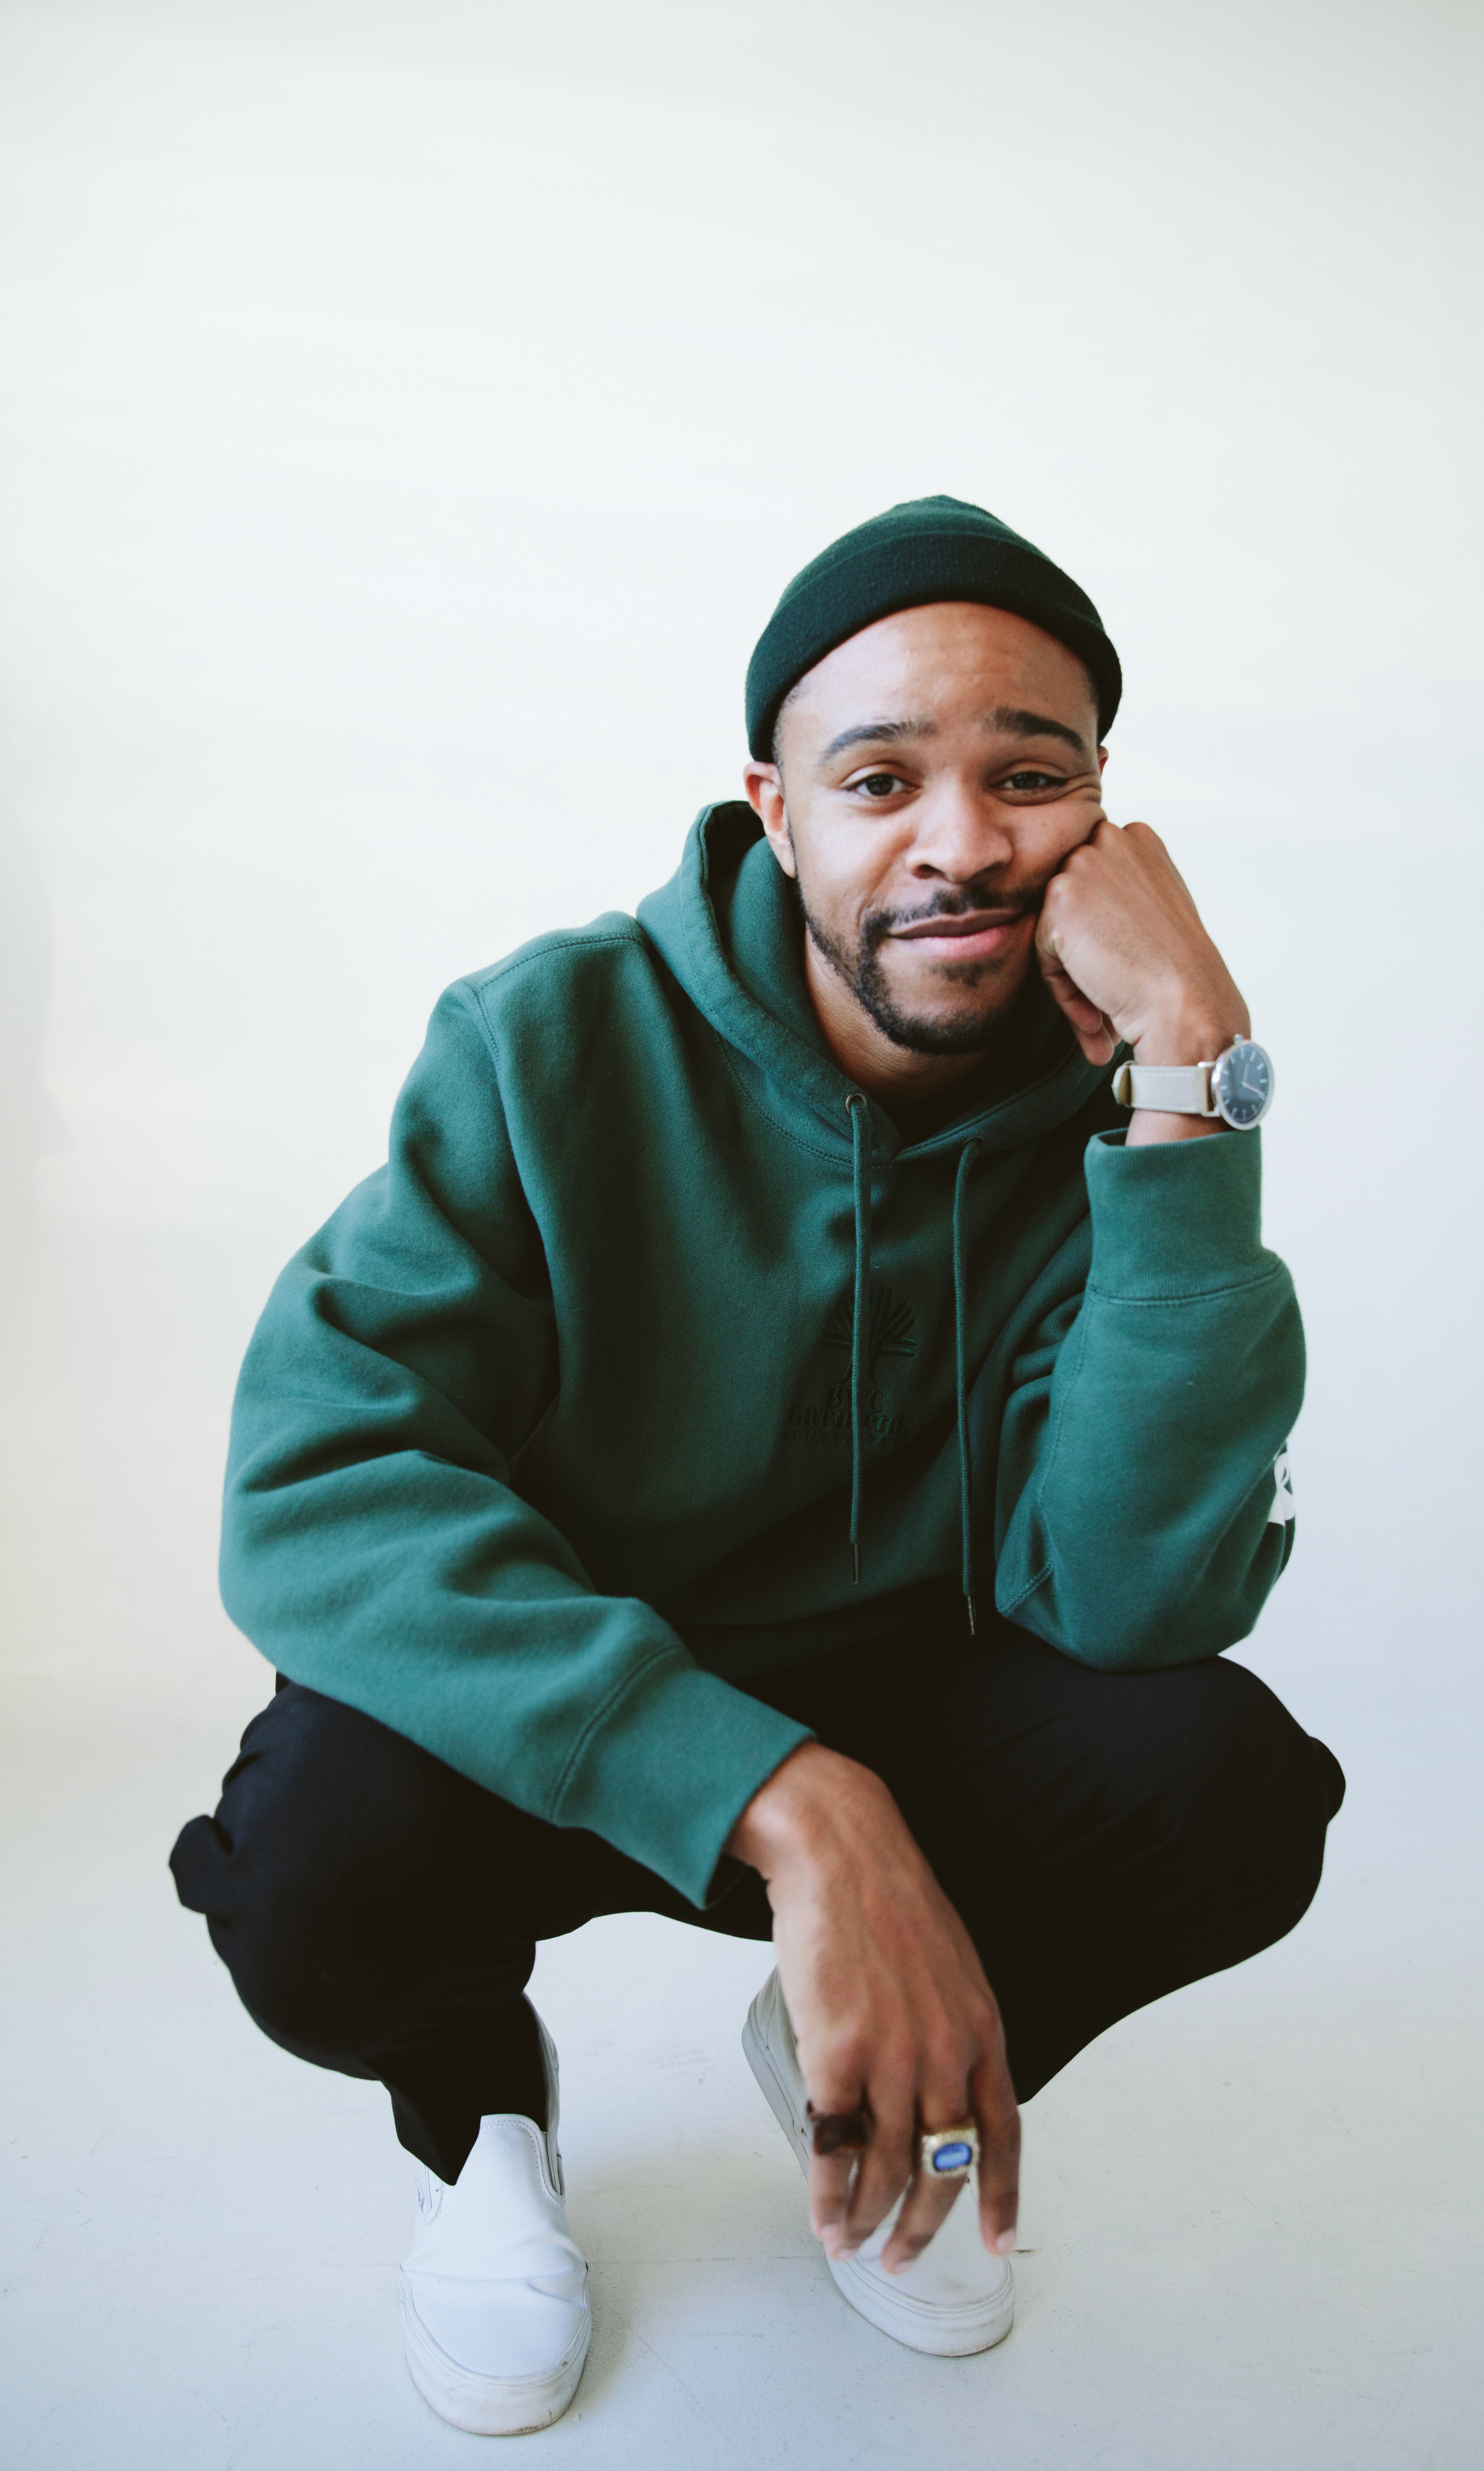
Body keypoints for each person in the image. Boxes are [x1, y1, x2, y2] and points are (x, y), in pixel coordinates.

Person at [171, 496, 1342, 2436]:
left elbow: (1146, 1600)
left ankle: (848, 2073)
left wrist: (1192, 1082)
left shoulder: (1122, 1094)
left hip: (924, 1689)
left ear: (1105, 814)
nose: (961, 842)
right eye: (879, 777)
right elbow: (316, 1481)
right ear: (773, 808)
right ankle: (479, 2117)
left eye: (1027, 775)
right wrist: (795, 1805)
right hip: (581, 1711)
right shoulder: (549, 1042)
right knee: (307, 1868)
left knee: (1225, 1791)